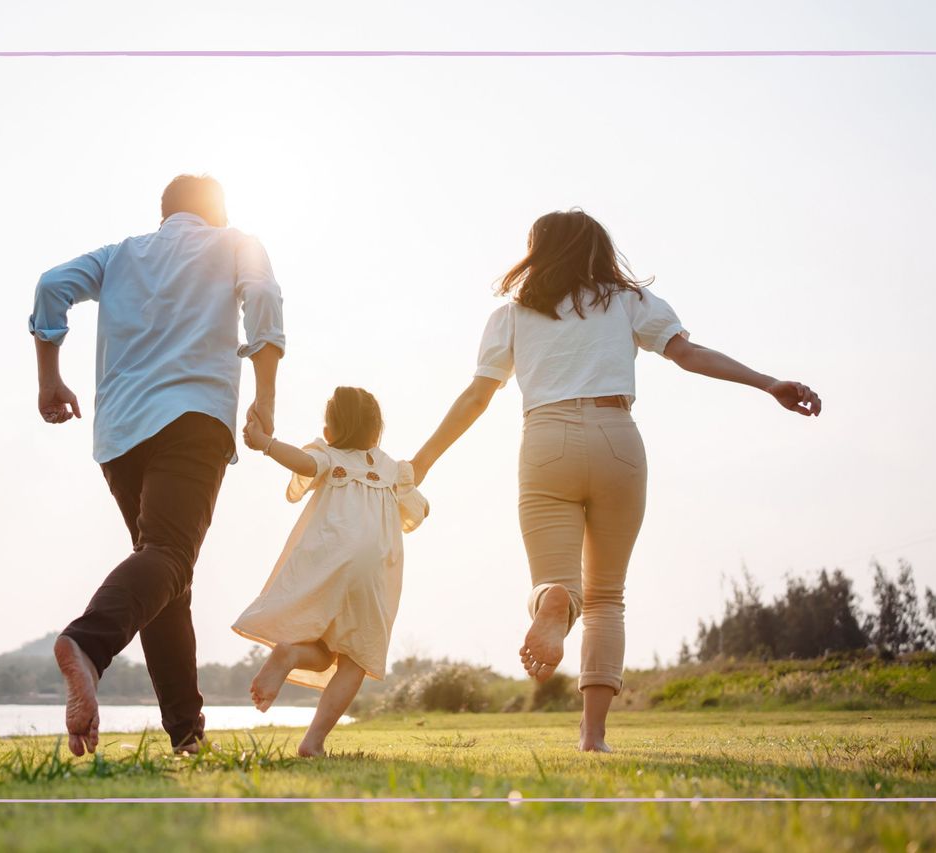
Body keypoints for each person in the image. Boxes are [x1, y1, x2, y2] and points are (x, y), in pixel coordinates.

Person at [410, 209, 820, 752]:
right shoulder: (629, 302)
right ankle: (594, 736)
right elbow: (687, 354)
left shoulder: (512, 316)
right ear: (600, 251)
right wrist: (768, 383)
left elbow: (478, 396)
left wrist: (423, 461)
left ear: (537, 252)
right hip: (616, 439)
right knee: (607, 597)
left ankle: (554, 601)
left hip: (546, 440)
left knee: (558, 583)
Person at [28, 174, 285, 756]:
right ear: (217, 211)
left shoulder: (120, 255)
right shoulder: (235, 241)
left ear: (164, 213)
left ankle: (187, 735)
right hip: (193, 417)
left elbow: (50, 285)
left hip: (119, 433)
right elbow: (264, 298)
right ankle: (88, 647)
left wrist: (50, 380)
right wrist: (265, 395)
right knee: (169, 558)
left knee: (167, 578)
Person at [233, 387, 429, 757]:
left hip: (330, 560)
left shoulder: (328, 456)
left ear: (331, 429)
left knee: (322, 651)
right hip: (371, 573)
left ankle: (289, 653)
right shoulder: (392, 469)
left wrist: (266, 443)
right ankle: (313, 741)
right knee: (355, 660)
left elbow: (304, 465)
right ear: (376, 430)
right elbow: (419, 510)